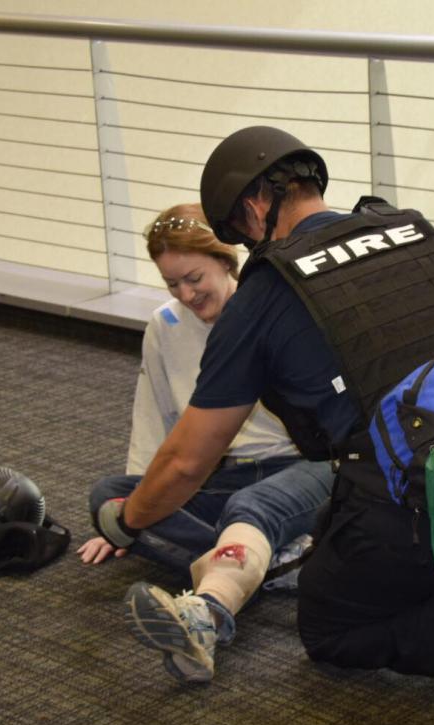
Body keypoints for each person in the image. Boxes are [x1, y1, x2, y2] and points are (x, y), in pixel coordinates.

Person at [95, 125, 434, 725]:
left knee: (330, 628)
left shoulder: (266, 294)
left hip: (419, 509)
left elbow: (188, 462)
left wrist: (130, 521)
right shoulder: (412, 229)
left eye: (239, 236)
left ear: (253, 208)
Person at [85, 203, 332, 683]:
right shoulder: (165, 325)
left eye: (194, 277)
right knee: (108, 498)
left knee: (251, 505)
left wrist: (141, 522)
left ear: (225, 259)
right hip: (218, 473)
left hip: (305, 467)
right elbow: (155, 418)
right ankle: (269, 561)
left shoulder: (272, 311)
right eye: (173, 284)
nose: (186, 293)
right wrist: (132, 512)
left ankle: (208, 613)